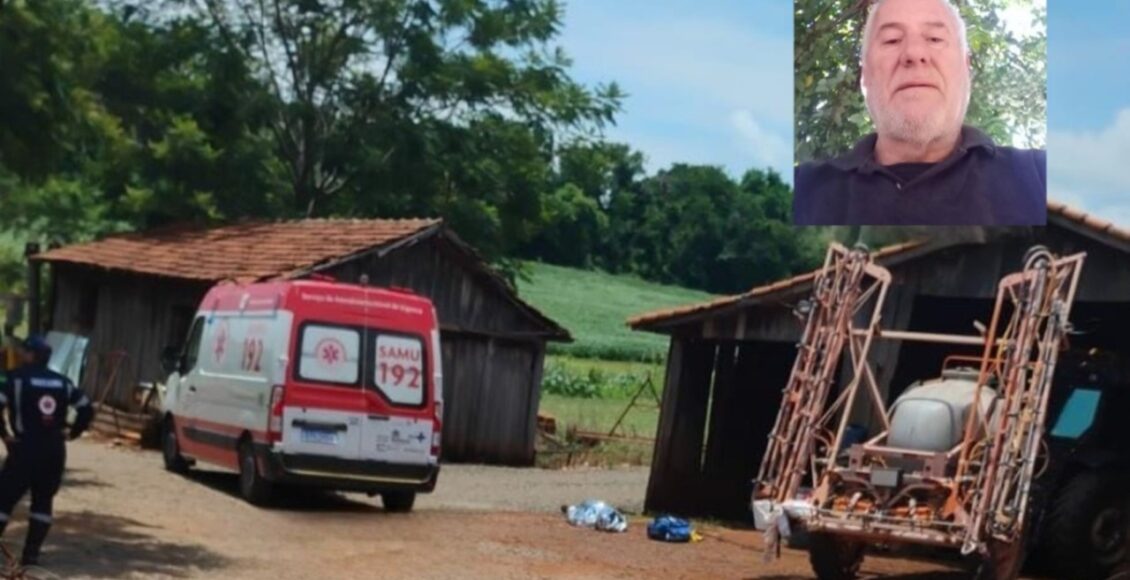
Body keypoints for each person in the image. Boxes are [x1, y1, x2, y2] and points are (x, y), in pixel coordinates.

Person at [794, 0, 1046, 226]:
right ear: (864, 76)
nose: (914, 53)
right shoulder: (800, 193)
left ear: (966, 69)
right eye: (892, 40)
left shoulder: (1040, 178)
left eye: (935, 39)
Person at [0, 335, 93, 566]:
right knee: (43, 502)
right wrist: (72, 433)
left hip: (24, 448)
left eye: (24, 352)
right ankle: (31, 554)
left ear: (30, 355)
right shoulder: (62, 382)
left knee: (4, 499)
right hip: (53, 450)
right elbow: (86, 408)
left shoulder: (15, 379)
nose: (21, 355)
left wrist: (5, 436)